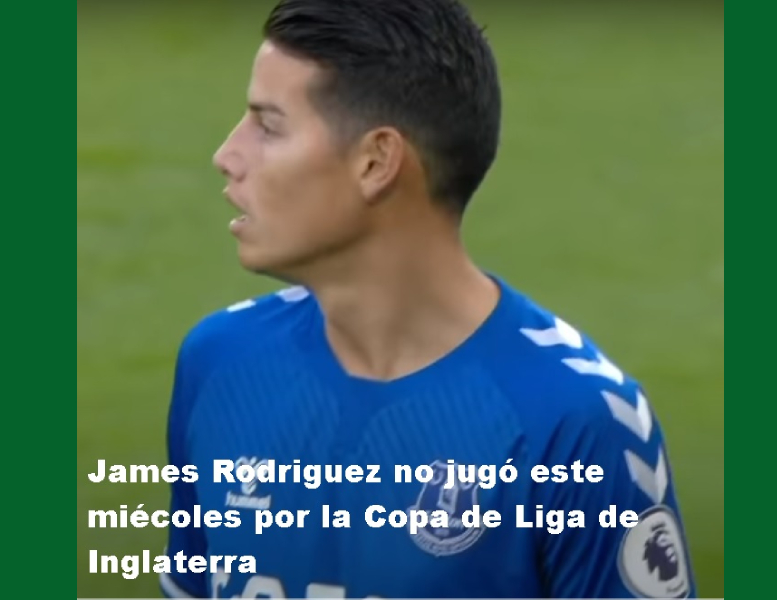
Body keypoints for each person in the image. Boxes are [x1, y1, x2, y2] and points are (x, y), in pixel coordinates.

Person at [161, 0, 696, 598]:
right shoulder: (220, 364)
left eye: (269, 126)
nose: (227, 156)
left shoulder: (577, 419)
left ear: (376, 161)